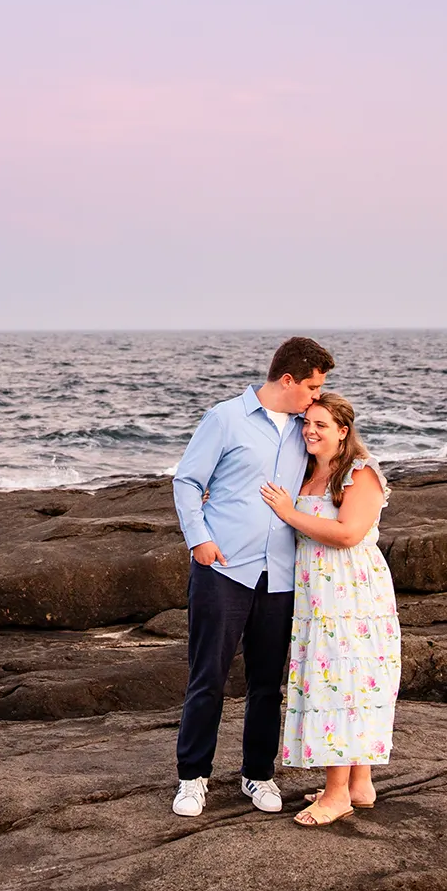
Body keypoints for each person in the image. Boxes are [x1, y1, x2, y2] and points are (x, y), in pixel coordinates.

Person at [169, 335, 335, 817]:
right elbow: (188, 481)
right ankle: (192, 778)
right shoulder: (225, 418)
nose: (316, 397)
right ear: (288, 380)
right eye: (312, 387)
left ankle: (258, 776)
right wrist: (198, 539)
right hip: (224, 568)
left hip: (282, 574)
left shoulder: (307, 427)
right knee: (208, 678)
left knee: (267, 684)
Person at [260, 391, 401, 826]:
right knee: (345, 680)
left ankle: (336, 794)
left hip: (350, 594)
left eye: (321, 425)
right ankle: (359, 785)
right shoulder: (306, 472)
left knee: (342, 682)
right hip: (316, 592)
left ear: (343, 431)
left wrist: (288, 513)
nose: (310, 431)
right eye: (306, 423)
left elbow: (348, 534)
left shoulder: (360, 474)